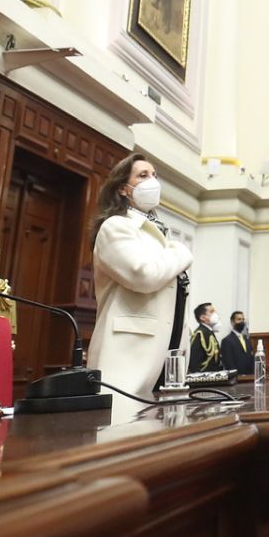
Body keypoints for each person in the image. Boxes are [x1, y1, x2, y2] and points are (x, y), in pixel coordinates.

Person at [88, 153, 194, 403]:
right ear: (124, 188)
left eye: (154, 175)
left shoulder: (155, 232)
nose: (152, 181)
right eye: (143, 175)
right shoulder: (116, 226)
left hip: (167, 354)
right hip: (130, 352)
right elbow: (144, 275)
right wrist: (180, 252)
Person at [187, 302, 224, 373]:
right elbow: (194, 361)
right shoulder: (200, 333)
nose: (215, 314)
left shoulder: (209, 332)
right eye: (211, 312)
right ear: (202, 317)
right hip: (204, 376)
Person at [222, 310, 255, 376]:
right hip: (236, 378)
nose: (242, 322)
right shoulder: (227, 341)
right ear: (232, 322)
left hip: (249, 377)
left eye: (243, 319)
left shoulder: (247, 339)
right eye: (239, 319)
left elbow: (251, 359)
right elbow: (228, 363)